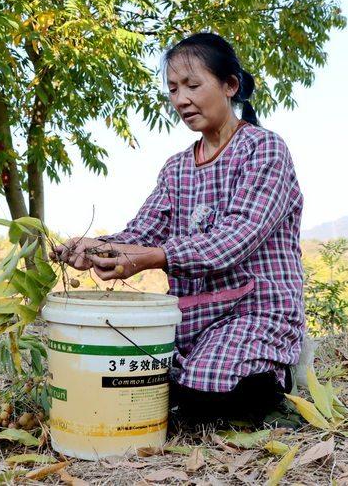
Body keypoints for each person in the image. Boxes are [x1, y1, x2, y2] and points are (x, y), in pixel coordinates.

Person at [54, 32, 306, 427]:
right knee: (126, 379)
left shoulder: (264, 150)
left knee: (203, 396)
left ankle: (277, 378)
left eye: (192, 85)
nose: (181, 99)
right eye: (173, 89)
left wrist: (152, 259)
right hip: (192, 317)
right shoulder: (176, 168)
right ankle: (214, 380)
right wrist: (98, 247)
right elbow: (143, 233)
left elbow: (235, 237)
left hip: (255, 309)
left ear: (230, 85)